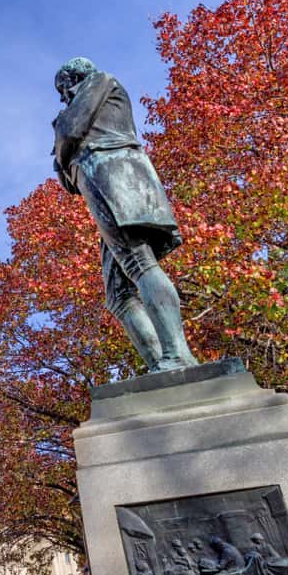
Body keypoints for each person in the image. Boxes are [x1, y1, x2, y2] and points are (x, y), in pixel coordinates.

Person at [52, 57, 198, 372]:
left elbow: (69, 131)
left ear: (74, 77)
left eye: (63, 88)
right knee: (118, 295)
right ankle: (161, 367)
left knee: (139, 262)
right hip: (99, 180)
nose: (63, 97)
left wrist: (60, 147)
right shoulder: (86, 97)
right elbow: (68, 181)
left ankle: (178, 356)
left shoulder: (99, 81)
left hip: (114, 177)